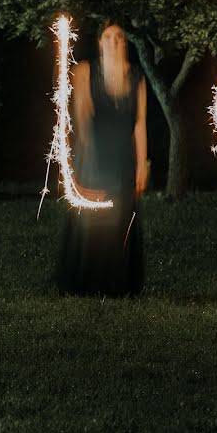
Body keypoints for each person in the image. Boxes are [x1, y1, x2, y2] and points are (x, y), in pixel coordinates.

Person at [58, 21, 147, 296]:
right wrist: (82, 166)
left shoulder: (136, 77)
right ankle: (87, 282)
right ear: (99, 42)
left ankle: (117, 283)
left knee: (121, 219)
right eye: (108, 36)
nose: (114, 41)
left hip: (123, 158)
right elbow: (80, 121)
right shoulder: (85, 72)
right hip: (96, 154)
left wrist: (142, 164)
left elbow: (139, 124)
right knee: (93, 221)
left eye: (119, 36)